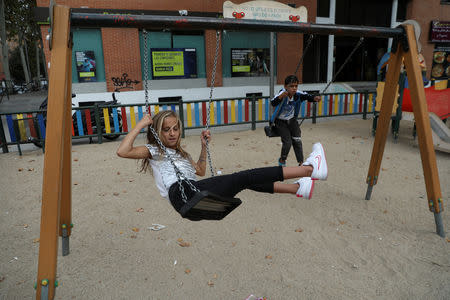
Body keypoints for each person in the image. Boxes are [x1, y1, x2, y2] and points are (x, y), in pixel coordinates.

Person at [117, 110, 328, 219]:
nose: (172, 133)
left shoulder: (180, 154)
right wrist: (140, 125)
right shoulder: (156, 151)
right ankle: (309, 169)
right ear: (158, 132)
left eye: (175, 128)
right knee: (246, 176)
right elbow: (123, 151)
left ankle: (298, 189)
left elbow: (199, 171)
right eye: (166, 129)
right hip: (183, 195)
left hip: (191, 195)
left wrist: (203, 146)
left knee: (243, 182)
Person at [270, 75, 321, 167]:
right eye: (291, 86)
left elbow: (307, 96)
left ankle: (301, 162)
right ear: (285, 86)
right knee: (288, 142)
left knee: (297, 140)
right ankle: (282, 160)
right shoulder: (282, 93)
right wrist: (280, 97)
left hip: (292, 120)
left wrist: (314, 98)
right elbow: (273, 102)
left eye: (296, 86)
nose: (294, 88)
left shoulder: (297, 94)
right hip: (280, 122)